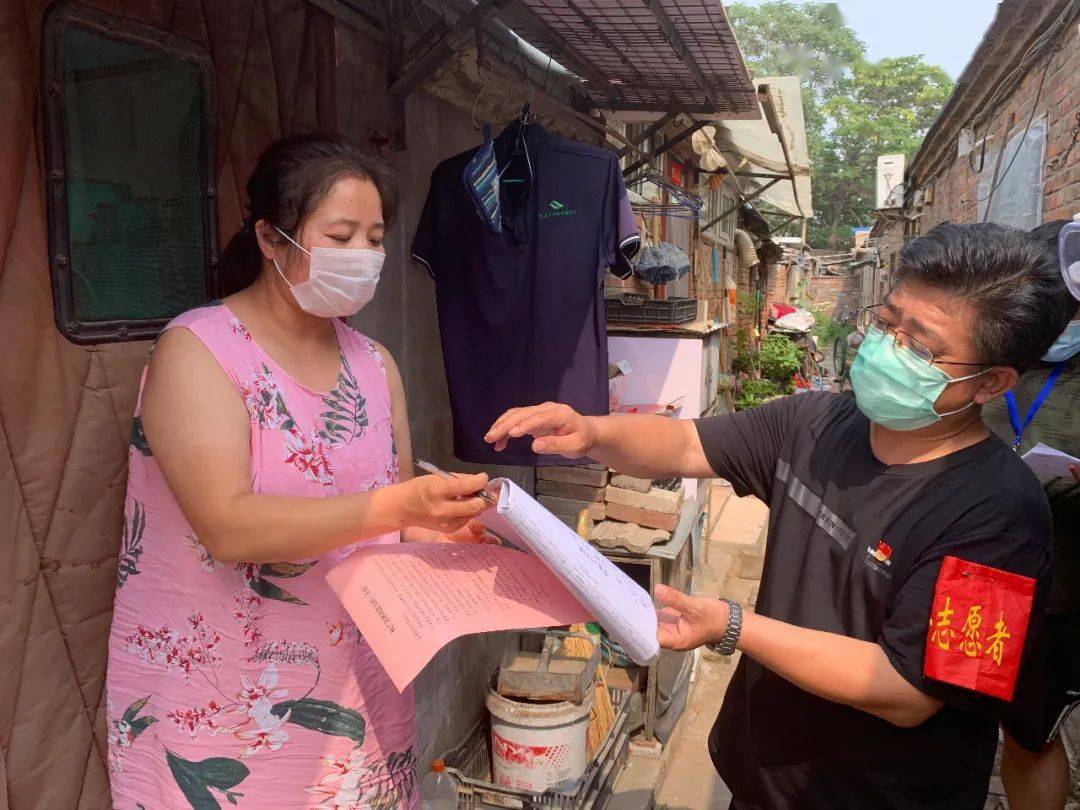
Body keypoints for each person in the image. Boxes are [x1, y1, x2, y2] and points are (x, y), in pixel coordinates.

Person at [485, 222, 1077, 809]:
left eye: (919, 345)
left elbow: (909, 691)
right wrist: (590, 432)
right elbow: (687, 445)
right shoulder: (816, 424)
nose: (887, 348)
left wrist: (730, 624)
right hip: (760, 776)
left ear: (990, 382)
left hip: (883, 795)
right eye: (887, 321)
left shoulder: (1006, 519)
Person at [105, 135, 492, 809]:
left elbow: (391, 531)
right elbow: (228, 525)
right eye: (340, 235)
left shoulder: (375, 365)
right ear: (270, 237)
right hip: (224, 713)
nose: (365, 257)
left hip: (358, 702)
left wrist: (457, 541)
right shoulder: (198, 351)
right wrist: (402, 509)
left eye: (374, 238)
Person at [983, 220, 1080, 810]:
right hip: (984, 580)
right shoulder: (990, 361)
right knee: (1007, 731)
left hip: (1064, 592)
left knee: (1034, 736)